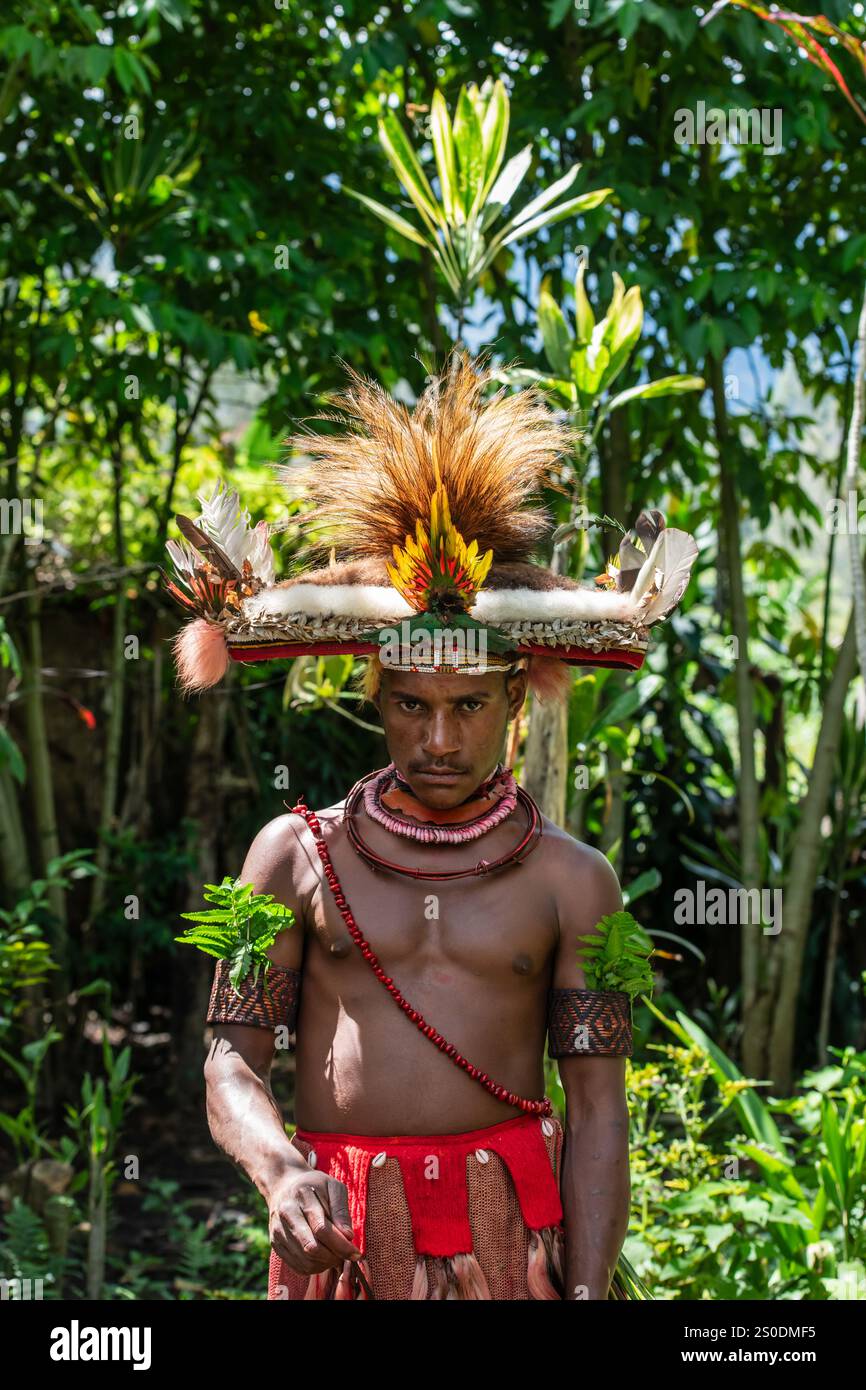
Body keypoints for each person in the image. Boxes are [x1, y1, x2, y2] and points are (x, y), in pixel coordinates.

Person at [165, 349, 697, 1299]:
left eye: (469, 708)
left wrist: (585, 1289)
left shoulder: (575, 882)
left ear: (515, 702)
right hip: (348, 1242)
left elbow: (599, 1106)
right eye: (411, 705)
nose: (440, 739)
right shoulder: (292, 857)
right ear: (374, 695)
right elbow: (228, 1063)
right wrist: (281, 1170)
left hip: (517, 1245)